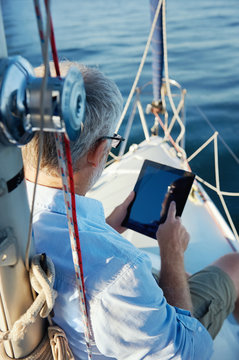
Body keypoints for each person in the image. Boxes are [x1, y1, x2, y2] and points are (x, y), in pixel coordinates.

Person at [22, 61, 239, 360]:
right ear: (98, 152)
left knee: (184, 275)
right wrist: (171, 253)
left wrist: (108, 227)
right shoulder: (121, 269)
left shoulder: (14, 215)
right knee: (234, 264)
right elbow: (190, 353)